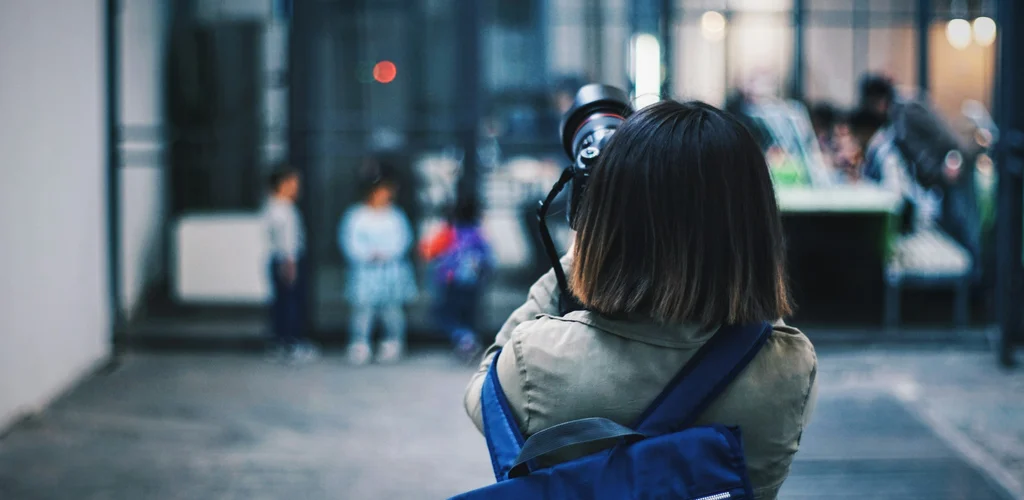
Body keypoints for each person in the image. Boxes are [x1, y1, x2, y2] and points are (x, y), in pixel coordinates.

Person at [463, 101, 818, 500]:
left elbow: (484, 389)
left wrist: (580, 256)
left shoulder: (536, 358)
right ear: (755, 223)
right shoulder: (790, 366)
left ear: (605, 219)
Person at [338, 174, 418, 365]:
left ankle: (392, 343)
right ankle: (360, 344)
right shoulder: (356, 215)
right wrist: (366, 254)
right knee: (363, 310)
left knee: (392, 311)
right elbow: (349, 241)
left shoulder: (395, 215)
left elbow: (403, 240)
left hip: (390, 270)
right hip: (365, 271)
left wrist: (387, 253)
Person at [420, 196, 494, 362]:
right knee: (469, 315)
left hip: (451, 282)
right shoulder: (478, 234)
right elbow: (489, 259)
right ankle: (469, 340)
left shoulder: (448, 233)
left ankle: (464, 339)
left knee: (446, 315)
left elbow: (428, 251)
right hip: (473, 283)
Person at [264, 166, 318, 363]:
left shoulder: (273, 206)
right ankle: (291, 342)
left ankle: (281, 342)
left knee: (282, 302)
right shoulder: (281, 209)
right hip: (288, 261)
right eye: (293, 183)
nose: (297, 187)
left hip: (281, 260)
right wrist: (290, 264)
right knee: (290, 302)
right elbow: (285, 241)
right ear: (282, 184)